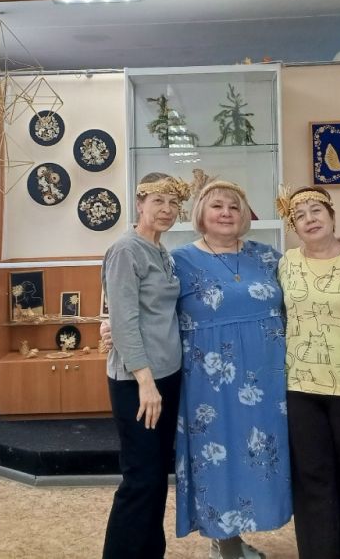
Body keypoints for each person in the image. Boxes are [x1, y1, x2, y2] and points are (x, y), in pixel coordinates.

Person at [173, 180, 291, 559]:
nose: (226, 213)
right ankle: (224, 541)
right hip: (210, 382)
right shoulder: (179, 261)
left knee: (258, 452)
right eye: (217, 206)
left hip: (267, 377)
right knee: (218, 457)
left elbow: (303, 291)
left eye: (234, 207)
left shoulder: (268, 257)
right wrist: (114, 326)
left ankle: (237, 535)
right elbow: (150, 306)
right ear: (201, 214)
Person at [276, 185, 340, 559]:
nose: (309, 219)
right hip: (300, 385)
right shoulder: (285, 263)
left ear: (332, 215)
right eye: (299, 216)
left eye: (316, 211)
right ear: (293, 227)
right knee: (312, 480)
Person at [102, 172, 190, 559]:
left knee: (156, 478)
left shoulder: (163, 252)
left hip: (166, 376)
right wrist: (145, 381)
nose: (166, 209)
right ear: (140, 204)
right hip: (139, 381)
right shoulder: (126, 250)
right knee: (140, 479)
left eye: (173, 202)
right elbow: (123, 321)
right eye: (158, 201)